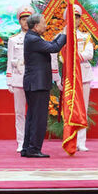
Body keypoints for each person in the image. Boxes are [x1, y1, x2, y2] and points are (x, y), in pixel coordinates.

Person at [21, 13, 66, 158]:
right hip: (37, 84)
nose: (46, 26)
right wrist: (65, 34)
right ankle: (34, 149)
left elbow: (51, 45)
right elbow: (54, 47)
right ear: (36, 26)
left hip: (34, 83)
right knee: (38, 117)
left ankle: (27, 148)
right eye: (43, 23)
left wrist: (60, 35)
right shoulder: (33, 39)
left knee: (32, 117)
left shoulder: (32, 37)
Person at [56, 5, 94, 152]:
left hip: (83, 75)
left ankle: (81, 141)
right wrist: (57, 78)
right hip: (68, 77)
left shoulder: (85, 36)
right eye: (72, 17)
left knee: (83, 108)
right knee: (69, 108)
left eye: (77, 17)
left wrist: (72, 57)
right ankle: (70, 138)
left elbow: (89, 54)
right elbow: (55, 57)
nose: (75, 20)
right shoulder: (60, 37)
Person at [6, 6, 34, 153]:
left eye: (28, 19)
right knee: (19, 112)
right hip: (18, 79)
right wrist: (9, 80)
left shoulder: (37, 38)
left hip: (33, 79)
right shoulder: (13, 40)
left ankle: (32, 141)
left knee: (33, 113)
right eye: (23, 19)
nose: (25, 22)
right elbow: (10, 60)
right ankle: (21, 141)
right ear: (19, 21)